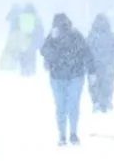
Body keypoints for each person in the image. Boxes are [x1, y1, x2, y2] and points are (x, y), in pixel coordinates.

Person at [40, 13, 94, 146]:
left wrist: (52, 42)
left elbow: (43, 51)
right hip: (75, 75)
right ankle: (72, 134)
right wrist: (91, 71)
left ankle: (63, 135)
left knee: (61, 106)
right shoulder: (75, 35)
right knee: (72, 105)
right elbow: (87, 52)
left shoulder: (58, 36)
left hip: (59, 76)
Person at [87, 14, 114, 113]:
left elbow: (86, 51)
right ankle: (106, 100)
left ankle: (96, 102)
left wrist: (83, 65)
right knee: (107, 84)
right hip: (108, 65)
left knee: (94, 85)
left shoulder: (91, 36)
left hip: (94, 66)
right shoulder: (111, 36)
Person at [16, 4, 44, 77]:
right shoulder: (36, 18)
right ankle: (31, 69)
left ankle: (23, 69)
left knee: (23, 54)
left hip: (23, 40)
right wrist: (40, 42)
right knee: (32, 55)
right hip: (32, 41)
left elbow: (17, 29)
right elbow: (40, 29)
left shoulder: (21, 17)